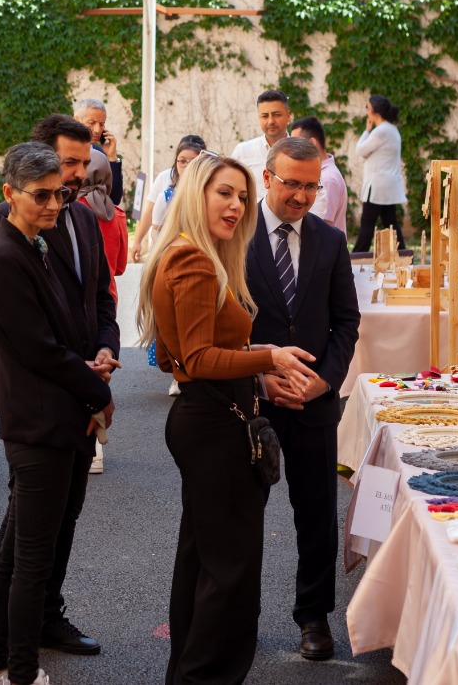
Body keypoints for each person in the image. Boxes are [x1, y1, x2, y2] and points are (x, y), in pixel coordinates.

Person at [139, 154, 316, 685]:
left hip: (210, 419)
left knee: (205, 562)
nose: (237, 206)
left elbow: (180, 357)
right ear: (197, 194)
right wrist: (268, 358)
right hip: (215, 427)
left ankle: (188, 674)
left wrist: (257, 364)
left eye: (242, 196)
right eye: (224, 193)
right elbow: (195, 360)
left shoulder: (190, 254)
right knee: (228, 572)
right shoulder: (193, 260)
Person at [0, 143, 115, 685]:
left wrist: (94, 362)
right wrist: (97, 392)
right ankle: (19, 673)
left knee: (19, 554)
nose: (54, 204)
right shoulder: (7, 255)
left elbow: (73, 321)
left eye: (60, 194)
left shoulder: (33, 242)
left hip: (57, 413)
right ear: (9, 193)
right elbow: (39, 350)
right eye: (42, 196)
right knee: (31, 561)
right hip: (39, 423)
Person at [244, 138, 360, 660]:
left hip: (314, 405)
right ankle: (240, 616)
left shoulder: (329, 241)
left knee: (316, 516)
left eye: (311, 186)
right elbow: (220, 328)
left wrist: (324, 381)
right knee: (243, 516)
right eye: (291, 183)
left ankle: (314, 617)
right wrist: (259, 377)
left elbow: (346, 323)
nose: (302, 196)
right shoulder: (234, 234)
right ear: (267, 177)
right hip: (254, 405)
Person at [133, 135, 207, 262]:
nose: (187, 165)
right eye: (182, 160)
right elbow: (151, 214)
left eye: (193, 161)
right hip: (167, 256)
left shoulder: (209, 189)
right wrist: (138, 241)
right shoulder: (166, 189)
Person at [351, 95, 407, 254]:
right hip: (387, 185)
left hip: (377, 186)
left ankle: (356, 257)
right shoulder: (391, 129)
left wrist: (366, 131)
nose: (366, 112)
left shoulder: (381, 131)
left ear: (375, 112)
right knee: (391, 223)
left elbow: (360, 150)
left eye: (368, 108)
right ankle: (403, 254)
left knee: (367, 225)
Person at [289, 116, 349, 242]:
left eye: (296, 144)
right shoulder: (323, 174)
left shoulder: (327, 179)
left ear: (312, 143)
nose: (292, 150)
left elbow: (322, 226)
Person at [78, 149, 127, 298]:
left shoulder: (67, 210)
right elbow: (119, 268)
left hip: (76, 297)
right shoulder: (117, 214)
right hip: (108, 297)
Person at [230, 89, 293, 202]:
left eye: (276, 115)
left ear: (288, 115)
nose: (271, 121)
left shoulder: (302, 152)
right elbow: (231, 188)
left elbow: (317, 195)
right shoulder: (243, 152)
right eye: (265, 116)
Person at [74, 97, 126, 207]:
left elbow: (114, 199)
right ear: (76, 120)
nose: (97, 130)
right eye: (92, 123)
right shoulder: (62, 150)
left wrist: (112, 158)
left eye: (102, 124)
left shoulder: (99, 154)